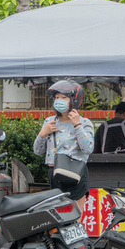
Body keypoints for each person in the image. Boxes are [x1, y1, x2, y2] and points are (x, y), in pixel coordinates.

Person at [34, 80, 94, 213]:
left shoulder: (84, 123)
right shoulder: (50, 122)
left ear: (74, 100)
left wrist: (77, 125)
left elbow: (88, 149)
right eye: (56, 98)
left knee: (75, 216)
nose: (59, 101)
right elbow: (38, 151)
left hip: (75, 174)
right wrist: (42, 134)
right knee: (57, 217)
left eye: (64, 97)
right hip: (55, 174)